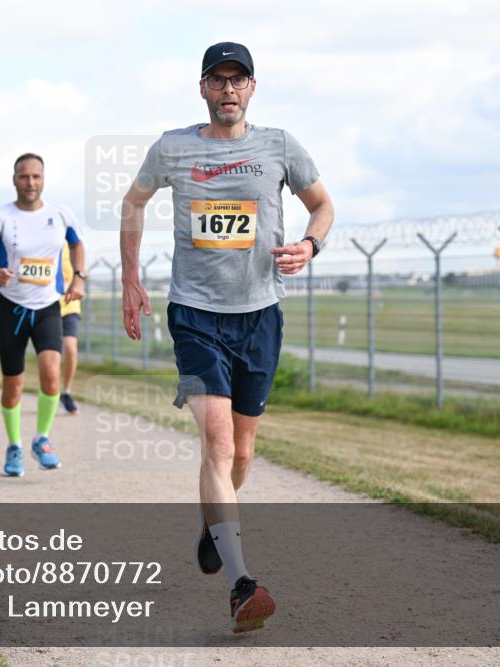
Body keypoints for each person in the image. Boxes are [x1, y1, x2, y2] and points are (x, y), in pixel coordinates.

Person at [119, 42, 334, 633]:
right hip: (194, 314)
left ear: (253, 88)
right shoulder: (173, 147)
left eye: (239, 80)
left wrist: (310, 245)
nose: (229, 90)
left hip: (261, 314)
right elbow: (132, 203)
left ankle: (215, 521)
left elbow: (322, 205)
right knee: (216, 445)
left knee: (240, 454)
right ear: (203, 89)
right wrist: (130, 278)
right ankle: (242, 584)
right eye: (219, 80)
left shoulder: (281, 146)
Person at [0, 153, 86, 477]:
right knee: (13, 385)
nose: (30, 183)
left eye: (36, 176)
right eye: (24, 177)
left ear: (44, 179)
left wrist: (79, 277)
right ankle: (15, 446)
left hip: (48, 306)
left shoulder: (60, 214)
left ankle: (42, 439)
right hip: (11, 308)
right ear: (14, 179)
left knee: (52, 371)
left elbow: (78, 245)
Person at [59, 241, 85, 414]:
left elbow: (83, 271)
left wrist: (79, 278)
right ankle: (49, 391)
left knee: (70, 348)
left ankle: (66, 392)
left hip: (70, 306)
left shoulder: (73, 246)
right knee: (49, 355)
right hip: (48, 307)